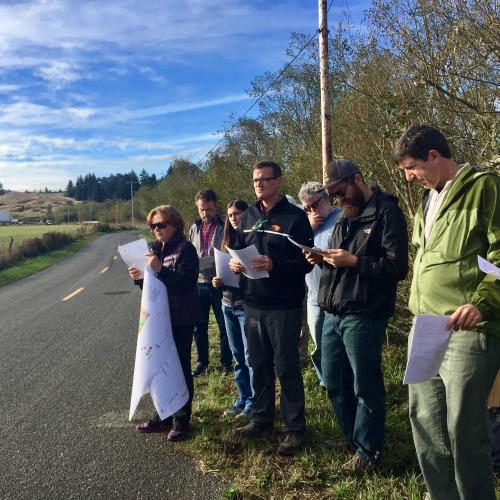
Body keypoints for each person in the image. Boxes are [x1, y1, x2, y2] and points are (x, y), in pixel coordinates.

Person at [395, 123, 500, 499]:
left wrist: (482, 302)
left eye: (411, 168)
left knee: (462, 428)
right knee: (425, 423)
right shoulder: (428, 199)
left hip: (467, 328)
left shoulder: (485, 187)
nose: (409, 178)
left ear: (434, 156)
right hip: (425, 328)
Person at [305, 159, 408, 474]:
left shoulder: (387, 213)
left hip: (364, 313)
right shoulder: (343, 217)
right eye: (333, 195)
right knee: (334, 380)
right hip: (332, 309)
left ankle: (369, 451)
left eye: (340, 191)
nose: (338, 199)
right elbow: (338, 261)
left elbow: (396, 267)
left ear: (358, 179)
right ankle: (352, 437)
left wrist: (355, 262)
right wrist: (320, 259)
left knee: (366, 385)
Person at [230, 161, 314, 456]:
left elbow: (307, 261)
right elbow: (238, 247)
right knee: (259, 364)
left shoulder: (296, 217)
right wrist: (235, 264)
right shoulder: (249, 215)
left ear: (279, 181)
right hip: (253, 303)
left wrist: (275, 265)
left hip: (283, 305)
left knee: (287, 367)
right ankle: (262, 418)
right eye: (255, 180)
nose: (259, 184)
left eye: (264, 179)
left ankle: (294, 429)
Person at [128, 205, 201, 441]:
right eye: (153, 226)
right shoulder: (153, 249)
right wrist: (140, 278)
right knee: (158, 367)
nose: (156, 229)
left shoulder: (186, 249)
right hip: (157, 320)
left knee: (178, 367)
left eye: (161, 225)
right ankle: (164, 415)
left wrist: (159, 269)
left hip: (180, 318)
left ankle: (182, 420)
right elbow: (152, 287)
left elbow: (185, 283)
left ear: (175, 225)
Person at [212, 200, 255, 420]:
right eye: (230, 215)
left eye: (237, 214)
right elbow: (219, 271)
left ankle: (254, 403)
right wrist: (217, 281)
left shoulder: (252, 237)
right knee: (238, 356)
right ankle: (243, 397)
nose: (234, 218)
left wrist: (244, 270)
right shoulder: (224, 240)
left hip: (247, 305)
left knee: (250, 358)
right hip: (227, 302)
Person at [298, 181, 341, 385]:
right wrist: (309, 227)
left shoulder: (341, 217)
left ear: (326, 198)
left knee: (337, 346)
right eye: (306, 208)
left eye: (314, 205)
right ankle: (327, 382)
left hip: (338, 296)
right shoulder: (305, 225)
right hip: (314, 295)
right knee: (319, 345)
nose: (312, 210)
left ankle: (339, 383)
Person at [189, 189, 233, 377]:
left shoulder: (225, 226)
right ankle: (202, 362)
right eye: (201, 210)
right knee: (199, 326)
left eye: (208, 209)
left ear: (216, 206)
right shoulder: (194, 228)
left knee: (224, 326)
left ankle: (226, 363)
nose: (205, 213)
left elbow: (232, 251)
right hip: (198, 283)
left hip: (219, 282)